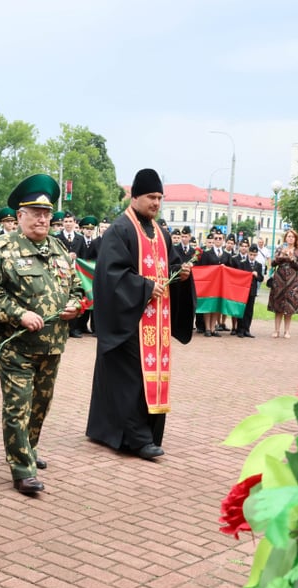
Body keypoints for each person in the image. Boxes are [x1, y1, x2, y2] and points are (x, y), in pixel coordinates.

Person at [0, 174, 85, 495]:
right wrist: (19, 314)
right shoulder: (2, 248)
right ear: (19, 216)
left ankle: (28, 448)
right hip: (15, 346)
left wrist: (75, 305)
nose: (42, 219)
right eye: (34, 213)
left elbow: (77, 287)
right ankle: (22, 468)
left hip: (51, 346)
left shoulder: (59, 250)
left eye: (46, 214)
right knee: (18, 405)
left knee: (41, 404)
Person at [85, 169, 195, 460]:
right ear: (135, 196)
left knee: (151, 377)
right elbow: (110, 275)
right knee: (133, 380)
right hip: (129, 320)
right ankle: (137, 439)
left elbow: (168, 268)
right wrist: (145, 287)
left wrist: (180, 274)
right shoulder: (120, 230)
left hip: (156, 322)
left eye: (160, 197)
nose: (156, 202)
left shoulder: (160, 233)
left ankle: (141, 432)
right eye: (151, 197)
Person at [268, 228, 298, 338]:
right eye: (288, 236)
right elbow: (273, 263)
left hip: (292, 281)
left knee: (289, 307)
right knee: (278, 306)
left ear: (295, 239)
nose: (290, 238)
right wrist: (282, 256)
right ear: (285, 238)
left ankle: (287, 331)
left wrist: (292, 259)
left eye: (292, 237)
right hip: (279, 280)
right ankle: (276, 330)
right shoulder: (280, 249)